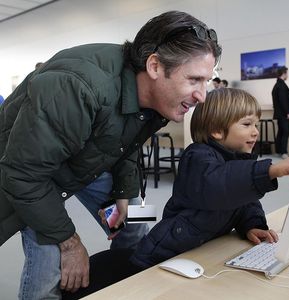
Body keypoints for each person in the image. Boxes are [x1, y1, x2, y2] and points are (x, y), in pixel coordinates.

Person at [0, 10, 221, 299]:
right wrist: (70, 242)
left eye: (207, 81)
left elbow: (127, 141)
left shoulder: (157, 95)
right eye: (194, 80)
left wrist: (125, 191)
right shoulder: (77, 87)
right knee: (49, 264)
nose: (202, 95)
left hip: (87, 158)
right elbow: (24, 174)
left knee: (140, 219)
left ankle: (125, 286)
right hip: (33, 172)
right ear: (155, 66)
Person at [63, 88, 289, 299]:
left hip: (196, 247)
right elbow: (219, 185)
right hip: (165, 253)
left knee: (132, 227)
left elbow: (244, 200)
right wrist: (270, 170)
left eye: (256, 125)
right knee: (134, 264)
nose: (255, 132)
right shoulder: (197, 156)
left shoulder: (239, 159)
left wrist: (252, 224)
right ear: (218, 130)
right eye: (247, 124)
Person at [272, 66, 289, 159]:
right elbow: (283, 100)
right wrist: (287, 112)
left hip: (279, 113)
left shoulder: (277, 84)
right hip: (283, 113)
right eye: (287, 73)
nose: (288, 75)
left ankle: (278, 151)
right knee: (286, 131)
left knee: (281, 131)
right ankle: (284, 152)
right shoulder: (281, 85)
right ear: (284, 73)